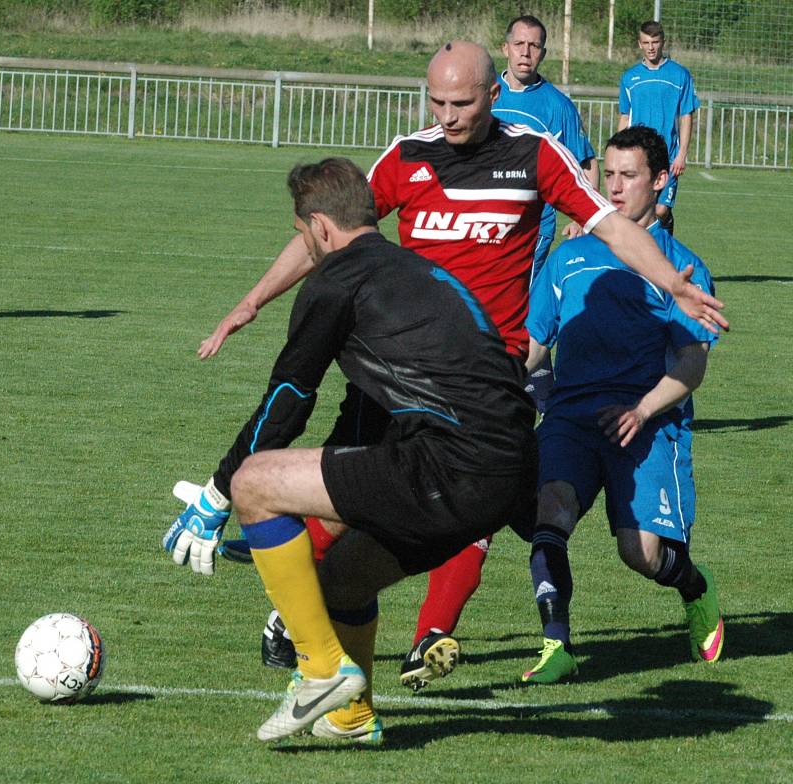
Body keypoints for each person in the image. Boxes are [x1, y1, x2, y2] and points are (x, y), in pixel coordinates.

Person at [199, 41, 726, 699]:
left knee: (485, 508)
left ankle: (400, 637)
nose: (449, 116)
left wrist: (670, 286)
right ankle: (322, 622)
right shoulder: (407, 156)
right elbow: (328, 230)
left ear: (494, 95)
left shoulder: (532, 152)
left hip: (493, 377)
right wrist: (251, 301)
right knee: (367, 493)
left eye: (464, 103)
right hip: (403, 371)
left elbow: (612, 227)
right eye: (438, 102)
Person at [162, 156, 539, 743]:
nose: (303, 245)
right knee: (341, 583)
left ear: (320, 227)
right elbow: (365, 415)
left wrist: (217, 494)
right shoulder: (417, 273)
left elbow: (288, 398)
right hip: (509, 472)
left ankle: (317, 672)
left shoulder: (335, 281)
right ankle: (351, 715)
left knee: (255, 483)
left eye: (299, 233)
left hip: (452, 463)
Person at [520, 125, 724, 685]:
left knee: (641, 552)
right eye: (607, 174)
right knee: (550, 513)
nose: (613, 187)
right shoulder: (570, 258)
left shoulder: (680, 268)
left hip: (647, 424)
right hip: (571, 419)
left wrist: (641, 409)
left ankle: (693, 586)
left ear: (660, 181)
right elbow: (535, 345)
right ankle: (556, 645)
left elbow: (691, 363)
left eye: (628, 176)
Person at [493, 13, 600, 411]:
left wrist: (581, 216)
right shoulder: (486, 94)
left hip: (531, 231)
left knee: (523, 315)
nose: (526, 52)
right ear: (505, 48)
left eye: (534, 46)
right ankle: (540, 395)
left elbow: (585, 162)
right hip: (484, 226)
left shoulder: (557, 107)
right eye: (519, 44)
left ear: (543, 53)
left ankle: (527, 399)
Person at [618, 20, 700, 234]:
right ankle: (646, 258)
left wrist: (682, 154)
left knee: (661, 210)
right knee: (637, 211)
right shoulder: (629, 78)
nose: (651, 47)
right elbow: (625, 117)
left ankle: (666, 229)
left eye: (655, 42)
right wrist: (618, 152)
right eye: (646, 42)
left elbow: (686, 115)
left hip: (667, 155)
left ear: (663, 42)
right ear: (639, 44)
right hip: (639, 157)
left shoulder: (680, 75)